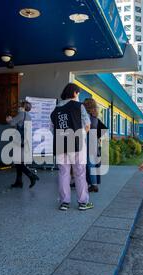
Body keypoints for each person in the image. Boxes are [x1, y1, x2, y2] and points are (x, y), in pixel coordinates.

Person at [50, 83, 94, 211]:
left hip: (60, 144)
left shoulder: (55, 109)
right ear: (74, 93)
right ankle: (83, 203)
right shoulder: (79, 106)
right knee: (79, 173)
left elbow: (51, 128)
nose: (78, 95)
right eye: (78, 93)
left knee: (63, 173)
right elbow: (87, 125)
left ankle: (64, 203)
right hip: (77, 143)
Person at [6, 100, 39, 188]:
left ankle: (31, 176)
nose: (18, 106)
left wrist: (9, 120)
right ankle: (19, 182)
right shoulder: (28, 115)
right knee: (19, 162)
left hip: (20, 141)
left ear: (23, 106)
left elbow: (12, 123)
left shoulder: (21, 114)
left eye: (20, 105)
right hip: (26, 141)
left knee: (18, 162)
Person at [83, 98, 101, 193]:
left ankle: (93, 184)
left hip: (89, 139)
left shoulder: (88, 117)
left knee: (89, 163)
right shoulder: (95, 117)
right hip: (93, 139)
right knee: (91, 162)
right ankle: (91, 183)